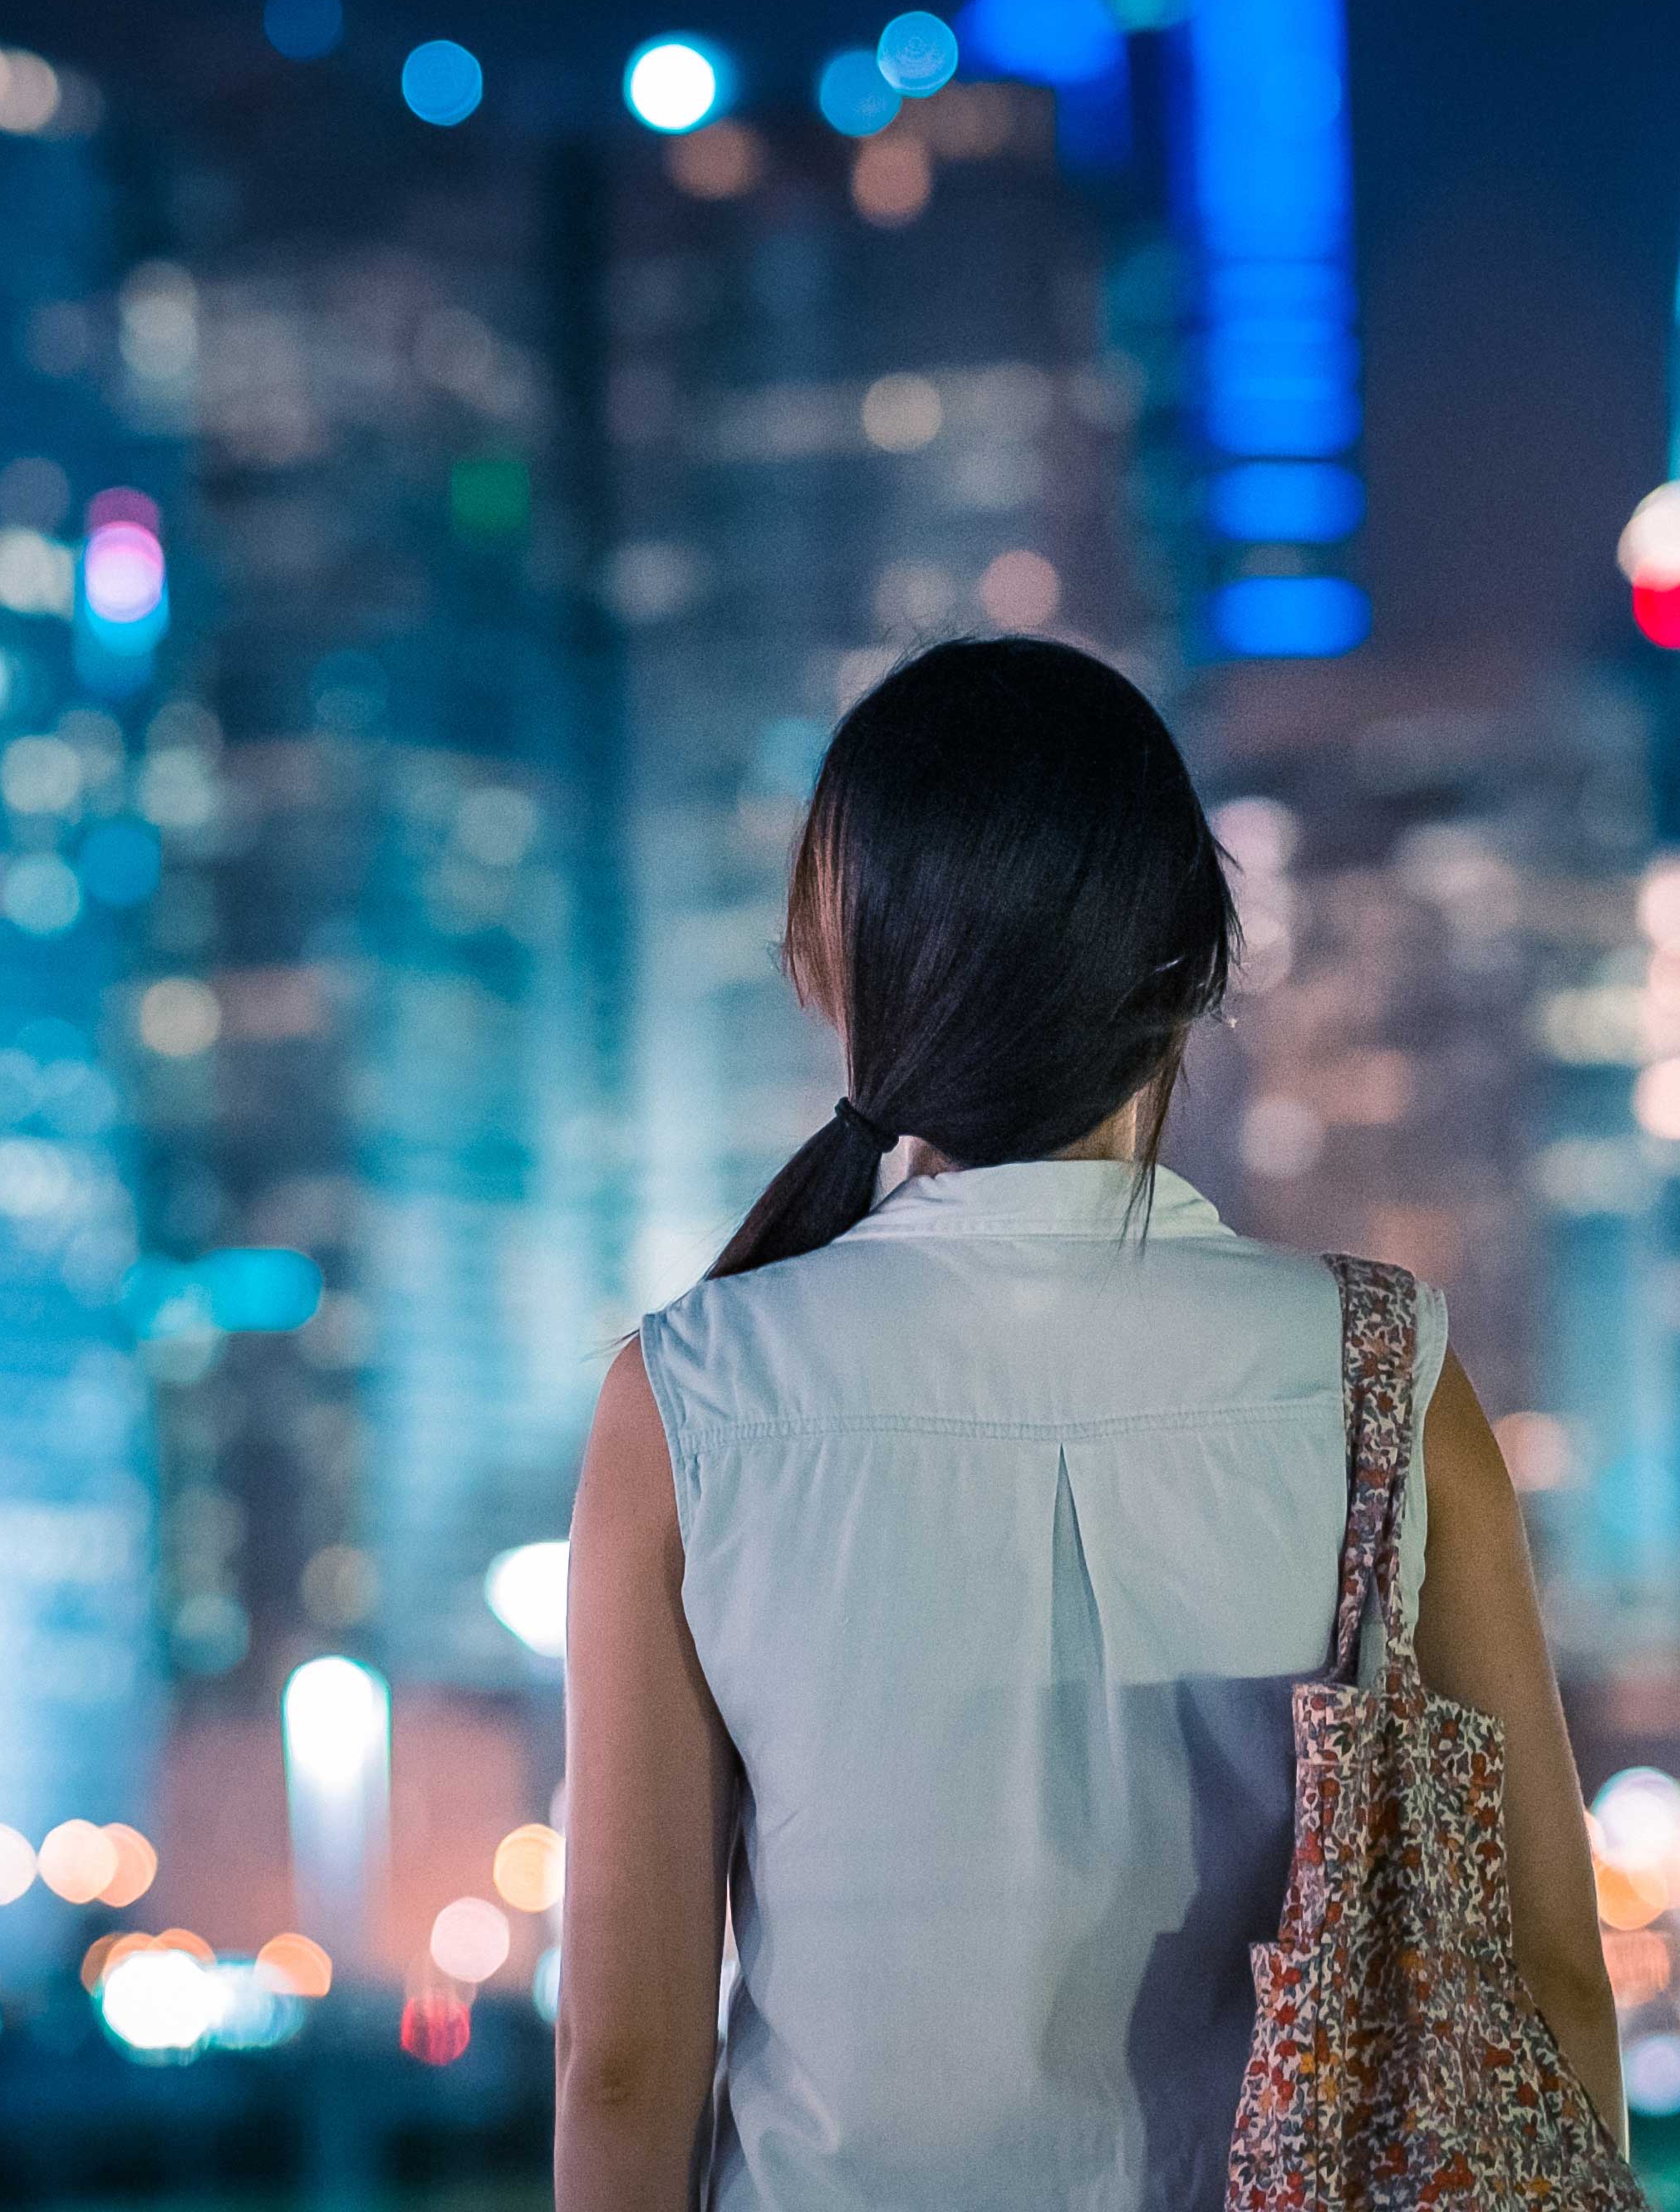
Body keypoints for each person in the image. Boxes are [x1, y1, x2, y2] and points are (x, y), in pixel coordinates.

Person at [555, 636, 1623, 2210]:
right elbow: (1548, 1979)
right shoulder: (1382, 1375)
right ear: (1196, 966)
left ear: (837, 978)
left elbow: (627, 2064)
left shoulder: (692, 1399)